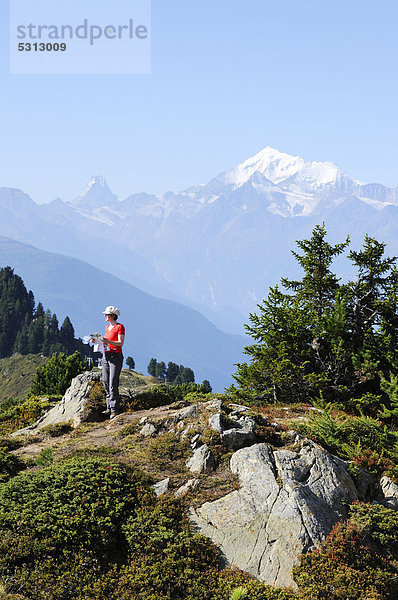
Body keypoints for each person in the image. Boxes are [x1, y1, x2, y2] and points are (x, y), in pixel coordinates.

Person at [100, 305, 125, 419]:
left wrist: (108, 341)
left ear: (112, 316)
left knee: (113, 382)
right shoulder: (106, 328)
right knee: (105, 381)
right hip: (106, 355)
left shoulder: (120, 327)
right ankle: (109, 407)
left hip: (116, 356)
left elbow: (120, 343)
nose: (105, 316)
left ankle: (114, 409)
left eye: (107, 314)